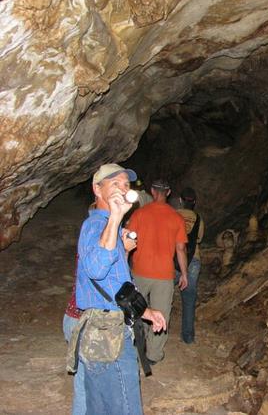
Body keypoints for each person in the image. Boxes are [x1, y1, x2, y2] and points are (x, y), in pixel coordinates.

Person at [71, 163, 166, 415]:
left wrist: (145, 311)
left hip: (107, 329)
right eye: (115, 183)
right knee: (125, 407)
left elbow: (113, 285)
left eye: (126, 184)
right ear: (97, 189)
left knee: (101, 407)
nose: (123, 189)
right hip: (107, 334)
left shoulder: (113, 230)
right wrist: (114, 217)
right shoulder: (96, 226)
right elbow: (95, 269)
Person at [127, 179, 188, 363]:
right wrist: (184, 273)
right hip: (163, 275)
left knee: (136, 311)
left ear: (153, 192)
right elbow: (180, 249)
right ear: (168, 192)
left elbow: (127, 243)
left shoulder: (139, 214)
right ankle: (154, 354)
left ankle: (134, 349)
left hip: (140, 272)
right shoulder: (177, 218)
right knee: (161, 314)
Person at [175, 187, 205, 343]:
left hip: (172, 260)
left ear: (180, 200)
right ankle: (188, 336)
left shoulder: (173, 215)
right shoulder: (198, 219)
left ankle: (158, 332)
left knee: (163, 296)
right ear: (194, 202)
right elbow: (199, 238)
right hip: (193, 259)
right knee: (189, 298)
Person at [63, 259, 85, 415]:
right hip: (84, 322)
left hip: (76, 318)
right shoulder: (100, 248)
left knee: (85, 382)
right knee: (85, 384)